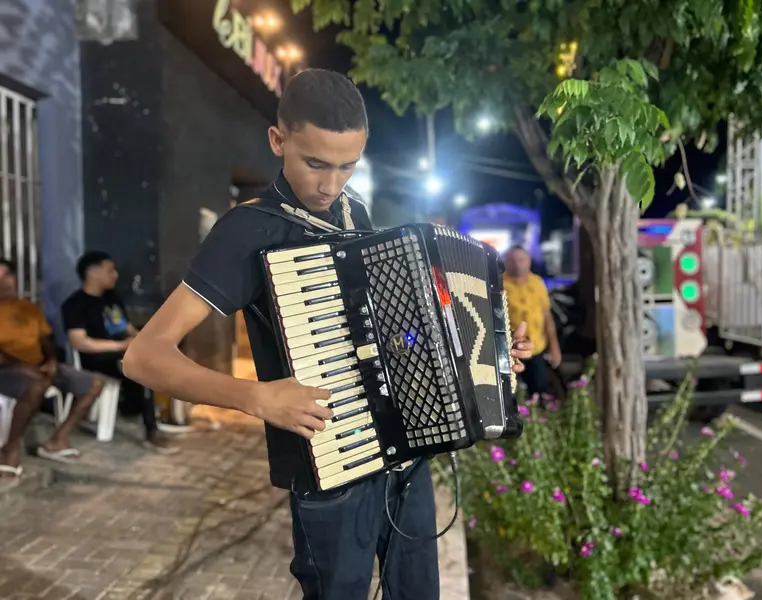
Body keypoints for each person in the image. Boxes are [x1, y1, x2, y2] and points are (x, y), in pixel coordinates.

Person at [122, 69, 534, 599]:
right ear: (278, 140)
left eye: (347, 166)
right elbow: (144, 357)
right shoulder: (246, 231)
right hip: (330, 473)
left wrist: (484, 358)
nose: (330, 184)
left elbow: (389, 338)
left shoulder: (353, 210)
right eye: (315, 163)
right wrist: (253, 396)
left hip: (404, 460)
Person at [0, 259, 105, 484]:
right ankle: (10, 449)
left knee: (94, 383)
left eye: (8, 275)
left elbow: (46, 338)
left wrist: (52, 360)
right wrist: (25, 367)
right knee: (37, 384)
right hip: (6, 370)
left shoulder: (27, 307)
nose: (5, 282)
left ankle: (57, 440)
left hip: (39, 366)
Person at [61, 251, 177, 454]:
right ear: (93, 273)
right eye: (110, 270)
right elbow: (80, 342)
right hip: (96, 358)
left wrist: (145, 339)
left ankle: (164, 414)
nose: (115, 275)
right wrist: (121, 346)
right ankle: (151, 431)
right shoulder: (75, 304)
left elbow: (125, 327)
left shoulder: (111, 298)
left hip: (123, 351)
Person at [503, 246, 562, 395]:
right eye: (512, 260)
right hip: (510, 351)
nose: (517, 264)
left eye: (521, 259)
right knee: (510, 394)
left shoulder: (537, 282)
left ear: (528, 261)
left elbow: (547, 316)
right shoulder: (499, 284)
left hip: (536, 348)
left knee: (539, 391)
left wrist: (554, 347)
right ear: (505, 262)